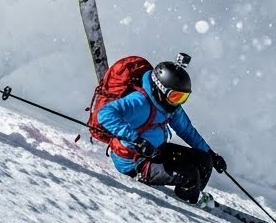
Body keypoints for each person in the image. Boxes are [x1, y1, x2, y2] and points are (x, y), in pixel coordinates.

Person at [96, 57, 226, 207]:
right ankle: (191, 202)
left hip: (155, 150)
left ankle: (190, 195)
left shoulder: (170, 106)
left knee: (203, 160)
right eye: (175, 96)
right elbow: (105, 113)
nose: (178, 102)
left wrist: (211, 154)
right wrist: (136, 140)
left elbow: (187, 130)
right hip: (135, 161)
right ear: (161, 89)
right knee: (190, 174)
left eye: (183, 97)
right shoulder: (140, 102)